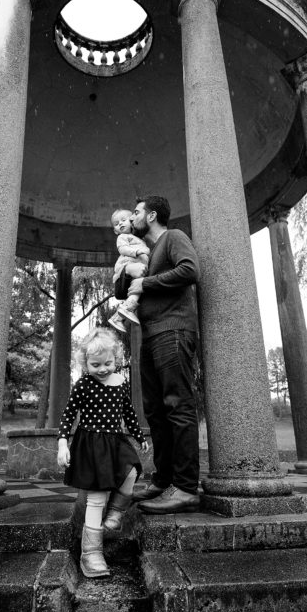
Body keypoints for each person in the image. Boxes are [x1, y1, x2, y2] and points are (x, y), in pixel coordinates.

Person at [123, 195, 202, 514]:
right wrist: (127, 277)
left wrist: (147, 282)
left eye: (136, 213)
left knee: (177, 405)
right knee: (154, 410)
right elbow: (130, 290)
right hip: (150, 334)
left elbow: (190, 270)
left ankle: (185, 488)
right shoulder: (145, 252)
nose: (131, 220)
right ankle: (162, 480)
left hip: (174, 328)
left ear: (152, 215)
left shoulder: (173, 237)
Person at [56, 328, 149, 578]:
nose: (102, 369)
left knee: (132, 471)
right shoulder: (84, 384)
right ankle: (91, 553)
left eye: (108, 363)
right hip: (91, 444)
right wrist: (63, 443)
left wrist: (139, 437)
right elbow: (68, 415)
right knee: (96, 497)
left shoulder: (120, 382)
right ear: (85, 363)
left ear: (116, 359)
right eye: (95, 364)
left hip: (116, 441)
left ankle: (116, 513)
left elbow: (128, 413)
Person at [107, 208, 150, 332]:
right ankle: (125, 311)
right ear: (115, 231)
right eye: (116, 223)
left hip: (139, 270)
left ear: (131, 221)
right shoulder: (123, 237)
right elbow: (123, 249)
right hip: (128, 265)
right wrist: (137, 251)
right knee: (137, 289)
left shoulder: (139, 238)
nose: (120, 223)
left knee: (137, 291)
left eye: (123, 220)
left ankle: (118, 317)